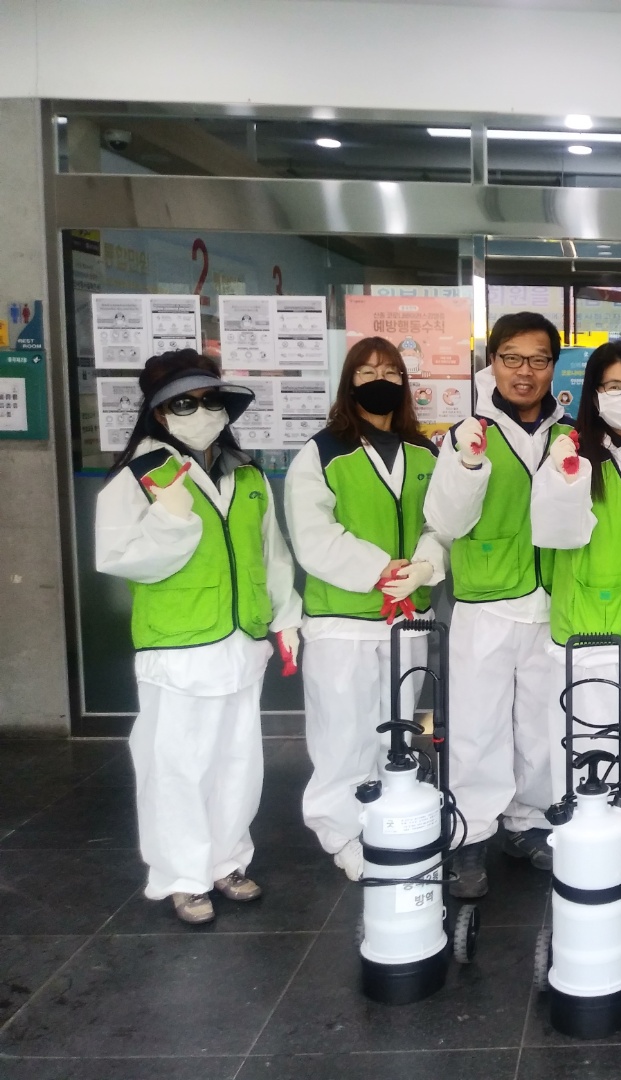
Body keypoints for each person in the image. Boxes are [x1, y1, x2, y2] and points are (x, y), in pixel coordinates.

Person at [95, 350, 302, 925]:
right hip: (179, 644)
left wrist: (286, 619)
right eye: (184, 402)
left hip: (242, 640)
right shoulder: (140, 475)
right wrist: (171, 518)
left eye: (210, 400)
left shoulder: (247, 475)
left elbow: (272, 555)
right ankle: (183, 876)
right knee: (177, 766)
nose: (201, 411)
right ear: (159, 412)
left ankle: (227, 861)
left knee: (239, 761)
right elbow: (117, 557)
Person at [284, 337, 446, 881]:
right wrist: (379, 568)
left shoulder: (423, 452)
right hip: (343, 621)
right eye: (368, 371)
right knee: (342, 735)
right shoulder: (323, 452)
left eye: (392, 371)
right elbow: (312, 533)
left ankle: (387, 821)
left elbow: (441, 524)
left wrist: (423, 566)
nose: (381, 380)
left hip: (407, 619)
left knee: (395, 731)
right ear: (349, 382)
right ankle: (342, 833)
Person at [424, 312, 573, 896]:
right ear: (493, 362)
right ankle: (470, 834)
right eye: (512, 358)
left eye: (538, 359)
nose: (524, 371)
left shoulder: (569, 433)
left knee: (541, 722)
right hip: (486, 601)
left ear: (553, 367)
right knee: (477, 725)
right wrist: (468, 464)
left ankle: (529, 822)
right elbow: (445, 520)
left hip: (551, 601)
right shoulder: (469, 430)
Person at [530, 341, 621, 897]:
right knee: (588, 742)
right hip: (590, 624)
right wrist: (567, 482)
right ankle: (586, 851)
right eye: (613, 386)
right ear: (593, 394)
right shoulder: (571, 452)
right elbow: (556, 532)